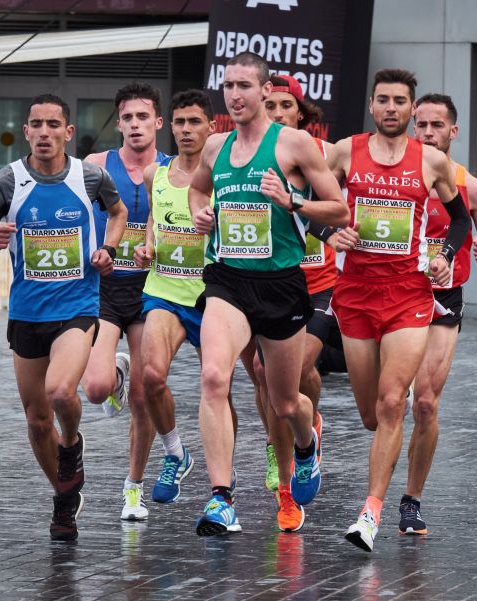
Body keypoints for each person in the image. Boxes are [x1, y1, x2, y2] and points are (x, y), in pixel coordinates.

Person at [188, 51, 348, 536]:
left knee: (284, 402)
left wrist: (292, 201)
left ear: (263, 91)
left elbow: (339, 212)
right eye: (228, 86)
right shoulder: (215, 147)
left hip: (281, 284)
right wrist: (200, 212)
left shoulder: (296, 144)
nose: (235, 95)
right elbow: (198, 189)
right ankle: (221, 497)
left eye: (244, 86)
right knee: (215, 378)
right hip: (228, 279)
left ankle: (305, 444)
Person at [0, 94, 127, 540]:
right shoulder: (5, 182)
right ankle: (64, 499)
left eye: (53, 124)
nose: (44, 132)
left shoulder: (90, 177)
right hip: (27, 313)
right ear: (25, 131)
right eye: (35, 124)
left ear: (67, 132)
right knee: (37, 421)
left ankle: (72, 445)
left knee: (60, 392)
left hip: (77, 307)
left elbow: (119, 212)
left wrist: (108, 249)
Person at [327, 69, 471, 552]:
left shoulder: (430, 161)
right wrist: (329, 234)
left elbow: (461, 220)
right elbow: (305, 204)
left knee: (395, 403)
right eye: (384, 100)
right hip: (355, 295)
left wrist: (445, 254)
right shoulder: (345, 152)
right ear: (372, 105)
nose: (392, 108)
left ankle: (371, 513)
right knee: (371, 414)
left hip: (409, 295)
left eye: (400, 101)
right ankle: (376, 465)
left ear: (412, 109)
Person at [395, 93, 477, 536]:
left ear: (453, 132)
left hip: (444, 300)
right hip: (392, 299)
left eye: (435, 126)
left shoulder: (470, 186)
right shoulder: (394, 176)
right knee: (381, 407)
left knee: (425, 402)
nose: (426, 133)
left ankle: (411, 500)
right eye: (419, 125)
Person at [132, 89, 237, 512]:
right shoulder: (153, 175)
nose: (186, 130)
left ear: (212, 127)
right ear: (169, 127)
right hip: (164, 291)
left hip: (214, 296)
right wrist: (147, 248)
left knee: (220, 392)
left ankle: (224, 480)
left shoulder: (226, 176)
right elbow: (155, 225)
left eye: (195, 122)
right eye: (179, 122)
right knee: (151, 377)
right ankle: (176, 452)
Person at [257, 73, 340, 532]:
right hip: (265, 281)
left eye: (284, 106)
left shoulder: (321, 155)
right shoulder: (249, 153)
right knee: (264, 378)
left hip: (317, 283)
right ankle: (280, 453)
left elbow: (343, 206)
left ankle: (306, 431)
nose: (276, 114)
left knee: (293, 373)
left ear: (301, 113)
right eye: (268, 106)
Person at [80, 82, 168, 521]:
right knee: (95, 388)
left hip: (153, 290)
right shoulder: (96, 165)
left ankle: (132, 486)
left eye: (143, 117)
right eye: (127, 118)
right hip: (106, 288)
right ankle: (113, 371)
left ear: (158, 122)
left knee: (143, 396)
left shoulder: (174, 169)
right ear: (119, 123)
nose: (135, 125)